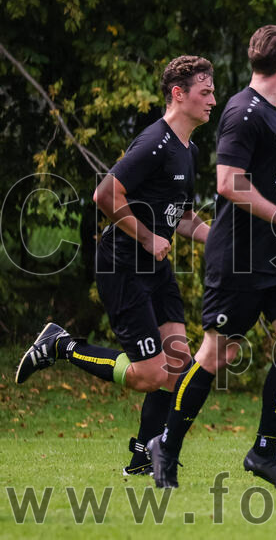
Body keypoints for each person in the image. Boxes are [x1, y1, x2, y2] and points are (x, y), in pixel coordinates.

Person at [15, 55, 215, 475]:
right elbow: (105, 195)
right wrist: (147, 236)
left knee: (177, 368)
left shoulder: (188, 150)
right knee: (148, 376)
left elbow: (180, 216)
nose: (213, 99)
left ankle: (142, 456)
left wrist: (220, 241)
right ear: (179, 94)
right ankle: (60, 346)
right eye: (205, 91)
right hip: (122, 266)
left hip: (154, 269)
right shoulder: (154, 142)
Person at [147, 25, 276, 490]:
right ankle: (166, 443)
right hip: (239, 259)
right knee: (217, 355)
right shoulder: (244, 112)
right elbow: (228, 183)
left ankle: (264, 452)